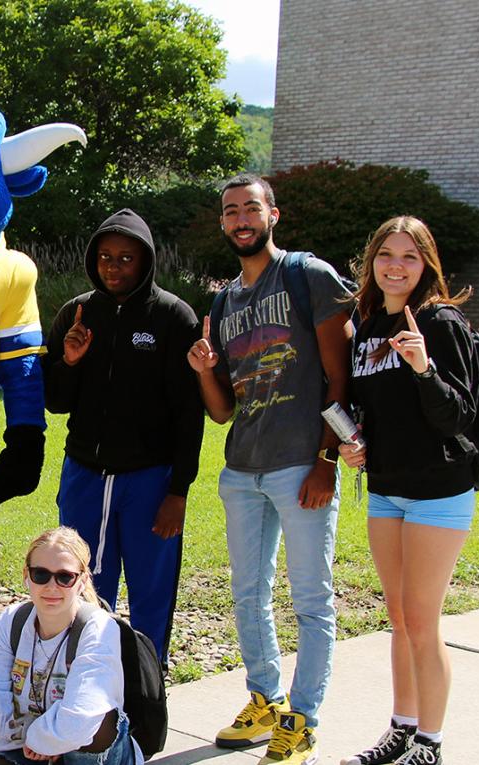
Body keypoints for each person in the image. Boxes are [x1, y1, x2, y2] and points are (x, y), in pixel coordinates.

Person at [187, 173, 352, 765]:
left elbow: (341, 378)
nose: (241, 219)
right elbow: (223, 411)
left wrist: (326, 461)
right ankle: (265, 699)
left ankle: (302, 721)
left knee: (312, 601)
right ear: (223, 223)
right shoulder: (224, 301)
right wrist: (203, 370)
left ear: (272, 215)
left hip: (300, 466)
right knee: (248, 594)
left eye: (250, 208)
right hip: (242, 471)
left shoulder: (308, 276)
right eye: (230, 211)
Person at [338, 217, 476, 765]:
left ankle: (430, 743)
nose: (396, 266)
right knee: (398, 620)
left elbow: (458, 415)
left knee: (422, 622)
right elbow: (373, 409)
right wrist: (353, 442)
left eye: (409, 257)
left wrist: (423, 367)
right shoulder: (368, 325)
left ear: (426, 265)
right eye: (386, 254)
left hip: (438, 491)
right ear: (372, 261)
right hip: (386, 488)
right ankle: (402, 728)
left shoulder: (440, 322)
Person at [42, 208, 203, 662]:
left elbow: (189, 413)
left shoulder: (173, 316)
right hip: (85, 475)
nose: (114, 267)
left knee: (152, 588)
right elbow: (55, 401)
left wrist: (178, 491)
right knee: (84, 583)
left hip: (150, 479)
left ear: (146, 261)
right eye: (105, 257)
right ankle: (86, 676)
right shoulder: (77, 314)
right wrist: (69, 362)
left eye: (126, 258)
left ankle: (148, 682)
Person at [0, 526, 143, 765]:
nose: (52, 587)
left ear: (82, 581)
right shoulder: (12, 622)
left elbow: (83, 715)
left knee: (99, 719)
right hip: (27, 750)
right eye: (41, 574)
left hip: (85, 753)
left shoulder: (98, 628)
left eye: (65, 577)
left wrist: (42, 740)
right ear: (26, 575)